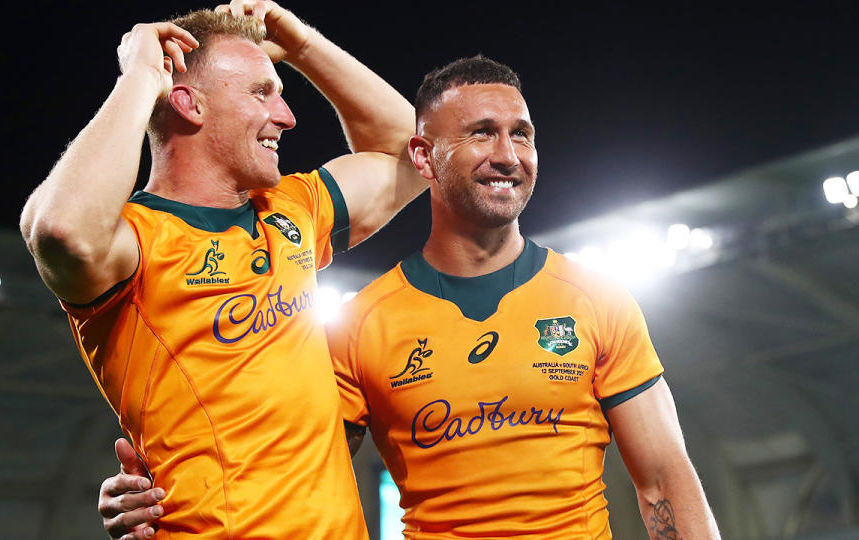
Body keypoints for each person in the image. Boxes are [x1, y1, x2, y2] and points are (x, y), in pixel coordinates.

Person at [99, 56, 721, 538]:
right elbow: (283, 472)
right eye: (482, 133)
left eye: (523, 135)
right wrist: (158, 495)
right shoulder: (359, 324)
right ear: (423, 157)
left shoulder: (597, 299)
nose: (508, 155)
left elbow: (665, 480)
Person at [19, 0, 424, 538]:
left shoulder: (293, 208)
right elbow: (60, 230)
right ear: (187, 103)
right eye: (262, 93)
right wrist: (141, 78)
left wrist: (304, 46)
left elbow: (412, 155)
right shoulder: (136, 242)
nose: (288, 116)